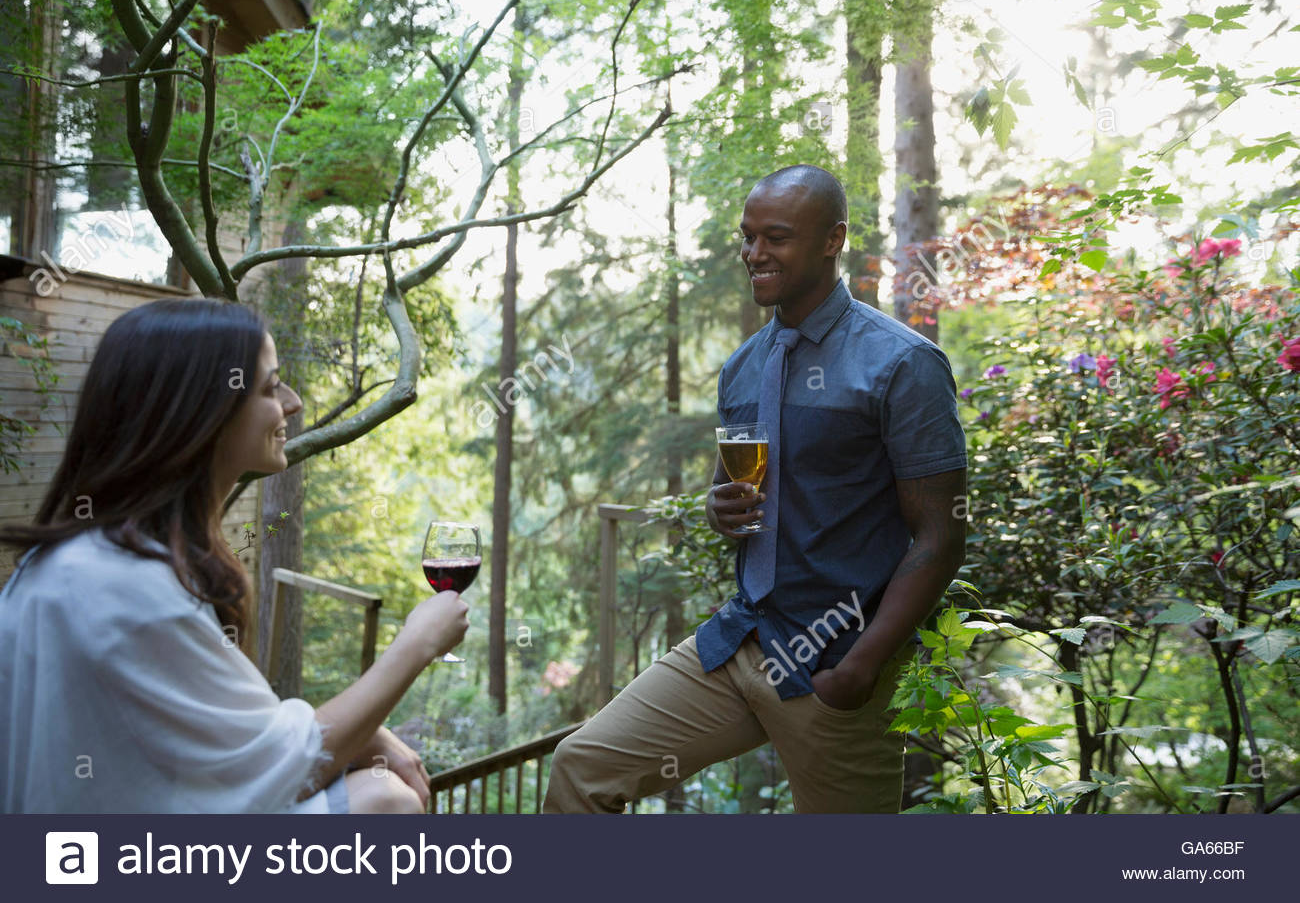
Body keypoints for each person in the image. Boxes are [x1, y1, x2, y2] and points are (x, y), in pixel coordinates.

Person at [545, 165, 967, 813]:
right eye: (747, 237)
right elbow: (735, 496)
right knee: (582, 769)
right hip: (740, 640)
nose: (754, 253)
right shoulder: (744, 366)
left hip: (836, 660)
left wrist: (861, 667)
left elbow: (939, 534)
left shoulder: (902, 364)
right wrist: (720, 508)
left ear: (833, 240)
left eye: (776, 237)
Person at [0, 298, 468, 813]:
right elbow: (273, 775)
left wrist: (371, 737)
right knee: (386, 802)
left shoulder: (90, 563)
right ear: (203, 410)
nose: (291, 403)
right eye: (270, 387)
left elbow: (222, 737)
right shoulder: (125, 588)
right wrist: (416, 645)